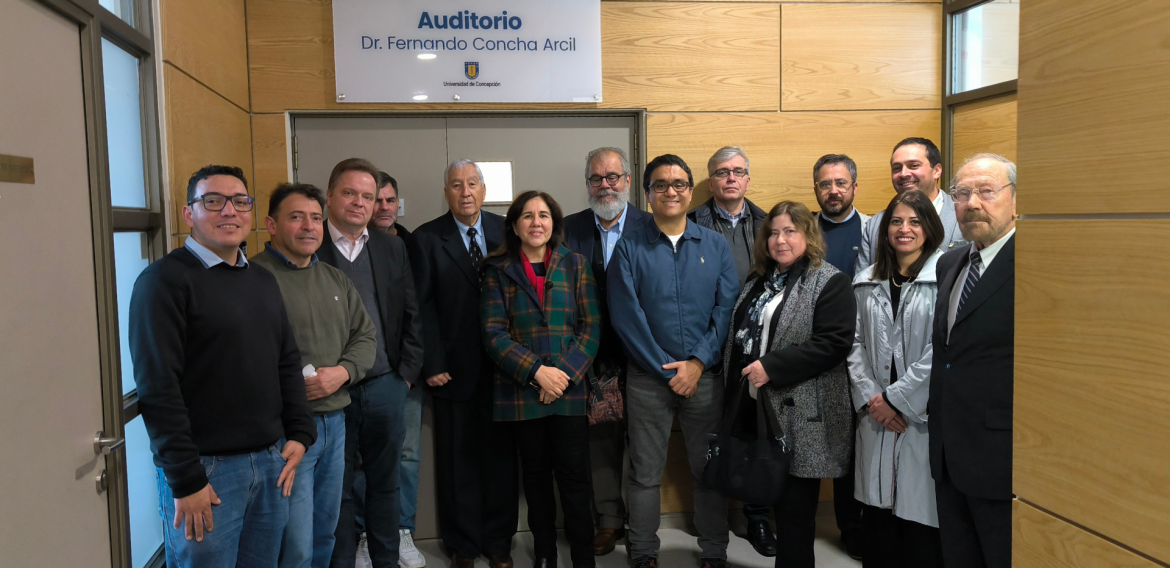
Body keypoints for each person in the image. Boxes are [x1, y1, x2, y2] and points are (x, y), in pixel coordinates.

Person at [129, 165, 317, 568]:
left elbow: (286, 360)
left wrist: (301, 432)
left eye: (240, 202)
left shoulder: (262, 280)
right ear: (188, 213)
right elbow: (159, 388)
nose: (228, 211)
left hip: (270, 463)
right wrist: (186, 477)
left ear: (250, 213)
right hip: (207, 472)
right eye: (212, 201)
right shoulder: (163, 282)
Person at [608, 154, 738, 568]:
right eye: (660, 185)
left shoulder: (714, 244)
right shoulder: (628, 248)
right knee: (645, 475)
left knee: (709, 472)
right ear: (646, 194)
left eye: (679, 184)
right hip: (649, 379)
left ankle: (715, 552)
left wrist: (698, 362)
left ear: (689, 190)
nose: (671, 191)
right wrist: (665, 368)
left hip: (704, 377)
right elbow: (627, 318)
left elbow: (727, 309)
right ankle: (643, 553)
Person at [251, 183, 378, 568]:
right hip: (288, 431)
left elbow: (365, 336)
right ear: (271, 225)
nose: (308, 226)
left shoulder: (335, 279)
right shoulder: (254, 279)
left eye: (314, 218)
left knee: (326, 531)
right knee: (296, 543)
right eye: (295, 217)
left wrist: (342, 372)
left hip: (335, 423)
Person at [722, 201, 855, 568]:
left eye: (790, 231)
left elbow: (834, 342)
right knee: (765, 496)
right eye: (774, 232)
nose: (781, 240)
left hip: (802, 415)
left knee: (795, 517)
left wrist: (771, 367)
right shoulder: (757, 281)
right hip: (757, 407)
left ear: (807, 236)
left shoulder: (830, 280)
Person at [481, 190, 602, 568]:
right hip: (522, 392)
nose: (537, 222)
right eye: (528, 216)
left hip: (568, 390)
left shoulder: (576, 264)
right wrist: (537, 373)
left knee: (575, 479)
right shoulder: (496, 269)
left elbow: (592, 326)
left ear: (554, 223)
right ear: (514, 226)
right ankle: (546, 554)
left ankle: (583, 557)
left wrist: (562, 376)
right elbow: (493, 334)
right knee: (534, 480)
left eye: (544, 215)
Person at [316, 158, 424, 568]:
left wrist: (406, 375)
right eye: (349, 193)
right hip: (331, 390)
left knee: (385, 483)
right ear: (329, 196)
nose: (359, 203)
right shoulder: (311, 245)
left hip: (385, 384)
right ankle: (342, 560)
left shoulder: (391, 245)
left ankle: (385, 559)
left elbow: (410, 312)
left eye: (367, 196)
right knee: (336, 487)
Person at [412, 159, 515, 568]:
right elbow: (420, 307)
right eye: (456, 185)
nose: (465, 191)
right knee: (457, 464)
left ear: (484, 190)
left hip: (505, 369)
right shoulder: (425, 239)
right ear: (446, 192)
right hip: (451, 370)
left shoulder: (507, 230)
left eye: (472, 183)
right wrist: (431, 361)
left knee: (502, 462)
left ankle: (499, 544)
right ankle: (462, 546)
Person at [847, 190, 946, 567]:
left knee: (920, 518)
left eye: (915, 221)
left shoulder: (944, 278)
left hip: (919, 417)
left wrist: (897, 399)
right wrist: (874, 399)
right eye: (896, 221)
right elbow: (853, 345)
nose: (904, 229)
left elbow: (942, 350)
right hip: (876, 418)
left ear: (929, 227)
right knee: (878, 519)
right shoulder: (865, 281)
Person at [562, 147, 653, 556]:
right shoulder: (567, 229)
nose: (605, 185)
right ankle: (608, 520)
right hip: (590, 356)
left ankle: (641, 521)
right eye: (597, 178)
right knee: (600, 442)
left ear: (628, 181)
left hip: (645, 354)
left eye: (613, 177)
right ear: (587, 184)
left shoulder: (651, 227)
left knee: (644, 441)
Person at [930, 154, 1017, 568]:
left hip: (1002, 455)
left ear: (1015, 200)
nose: (972, 203)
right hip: (948, 453)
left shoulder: (1035, 262)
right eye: (961, 194)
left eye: (986, 191)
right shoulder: (950, 262)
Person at [810, 153, 870, 559]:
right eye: (824, 183)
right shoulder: (801, 229)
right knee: (811, 439)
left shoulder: (874, 229)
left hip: (860, 353)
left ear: (853, 186)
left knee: (853, 447)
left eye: (840, 183)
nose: (833, 190)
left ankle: (852, 526)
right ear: (815, 188)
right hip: (811, 354)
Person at [366, 170, 426, 568]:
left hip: (399, 376)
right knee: (357, 462)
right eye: (377, 201)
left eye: (391, 200)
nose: (384, 208)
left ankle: (401, 530)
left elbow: (417, 312)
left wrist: (407, 372)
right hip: (356, 378)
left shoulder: (410, 244)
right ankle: (362, 537)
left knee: (405, 456)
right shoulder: (339, 246)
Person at [855, 138, 966, 274]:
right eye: (897, 168)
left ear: (937, 171)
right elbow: (863, 284)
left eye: (913, 166)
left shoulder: (963, 214)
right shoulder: (876, 224)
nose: (903, 174)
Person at [687, 146, 768, 288]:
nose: (731, 178)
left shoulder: (767, 223)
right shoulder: (690, 223)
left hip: (754, 307)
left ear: (747, 182)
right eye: (722, 172)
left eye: (738, 171)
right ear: (711, 184)